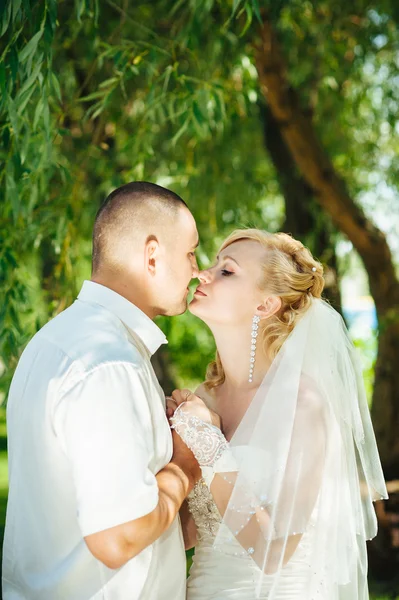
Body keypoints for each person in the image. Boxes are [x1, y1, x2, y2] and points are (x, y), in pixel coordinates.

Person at [3, 182, 201, 600]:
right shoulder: (110, 362)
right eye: (190, 253)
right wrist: (185, 461)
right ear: (152, 255)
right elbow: (117, 536)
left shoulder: (57, 340)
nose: (197, 269)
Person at [167, 229, 388, 600]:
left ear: (265, 305)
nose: (204, 274)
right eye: (214, 266)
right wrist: (181, 454)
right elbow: (191, 535)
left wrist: (208, 443)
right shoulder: (204, 399)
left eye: (227, 271)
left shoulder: (303, 403)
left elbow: (272, 551)